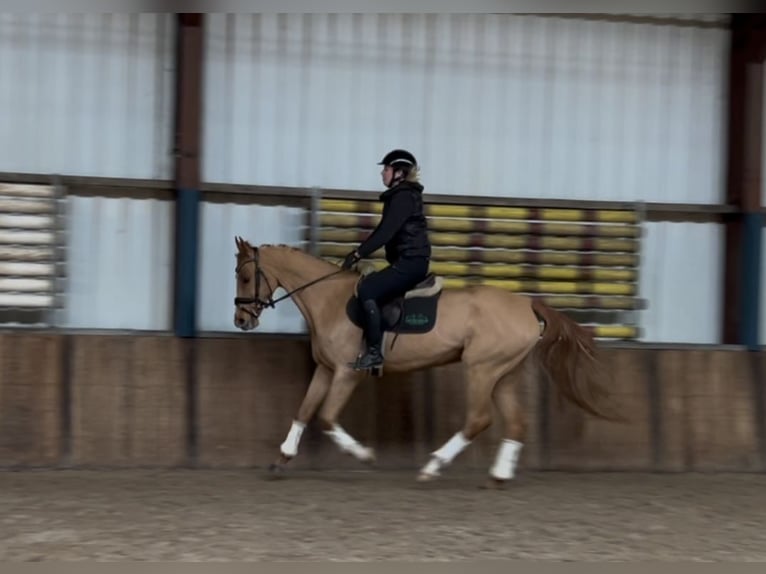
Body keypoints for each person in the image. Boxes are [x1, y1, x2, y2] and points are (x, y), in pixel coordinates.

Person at [341, 149, 432, 371]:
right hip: (409, 261)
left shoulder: (402, 197)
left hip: (411, 263)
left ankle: (374, 353)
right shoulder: (403, 195)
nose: (383, 173)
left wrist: (358, 254)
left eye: (386, 169)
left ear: (399, 173)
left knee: (367, 290)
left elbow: (385, 233)